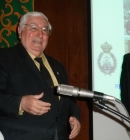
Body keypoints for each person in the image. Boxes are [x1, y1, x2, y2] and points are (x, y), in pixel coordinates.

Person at [0, 11, 81, 140]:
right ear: (20, 31)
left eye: (45, 30)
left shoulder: (57, 66)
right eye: (33, 28)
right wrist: (20, 103)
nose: (40, 34)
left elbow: (70, 98)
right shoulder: (4, 58)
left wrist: (75, 116)